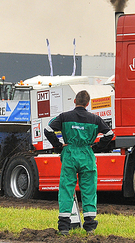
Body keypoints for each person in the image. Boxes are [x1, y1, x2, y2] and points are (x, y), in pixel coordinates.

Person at [44, 90, 114, 235]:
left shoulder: (64, 116)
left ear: (75, 101)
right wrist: (96, 147)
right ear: (88, 104)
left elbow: (48, 129)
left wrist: (57, 146)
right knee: (89, 190)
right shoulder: (95, 119)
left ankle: (64, 226)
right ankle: (90, 226)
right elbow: (109, 134)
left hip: (69, 153)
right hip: (86, 154)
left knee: (66, 189)